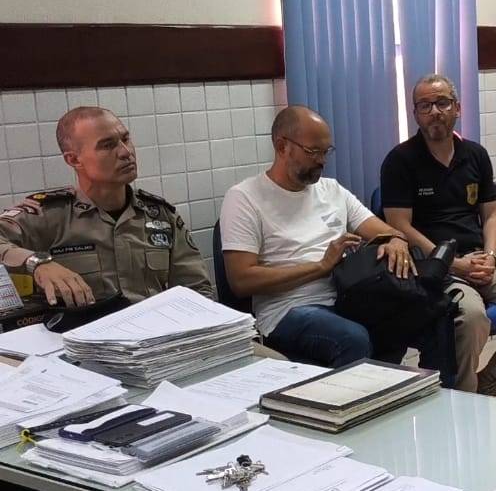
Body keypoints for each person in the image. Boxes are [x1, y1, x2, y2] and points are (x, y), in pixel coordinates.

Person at [380, 74, 496, 396]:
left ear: (458, 107)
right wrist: (452, 263)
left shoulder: (475, 155)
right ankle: (464, 400)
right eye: (425, 105)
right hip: (433, 267)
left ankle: (492, 381)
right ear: (415, 114)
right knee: (472, 318)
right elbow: (400, 226)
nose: (434, 112)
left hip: (480, 259)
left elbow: (491, 214)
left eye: (442, 103)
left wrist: (491, 257)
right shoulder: (400, 160)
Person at [219, 105, 419, 368]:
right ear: (282, 146)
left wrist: (396, 240)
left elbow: (383, 230)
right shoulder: (244, 198)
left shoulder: (332, 190)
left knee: (406, 316)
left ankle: (407, 389)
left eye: (326, 151)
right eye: (313, 152)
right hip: (288, 310)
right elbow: (241, 280)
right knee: (352, 339)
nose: (322, 161)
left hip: (345, 296)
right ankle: (353, 395)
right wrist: (321, 266)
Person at [0, 106, 212, 306]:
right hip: (82, 330)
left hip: (157, 328)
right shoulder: (49, 215)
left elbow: (197, 290)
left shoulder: (160, 216)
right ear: (74, 160)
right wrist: (37, 263)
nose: (125, 152)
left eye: (126, 139)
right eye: (107, 145)